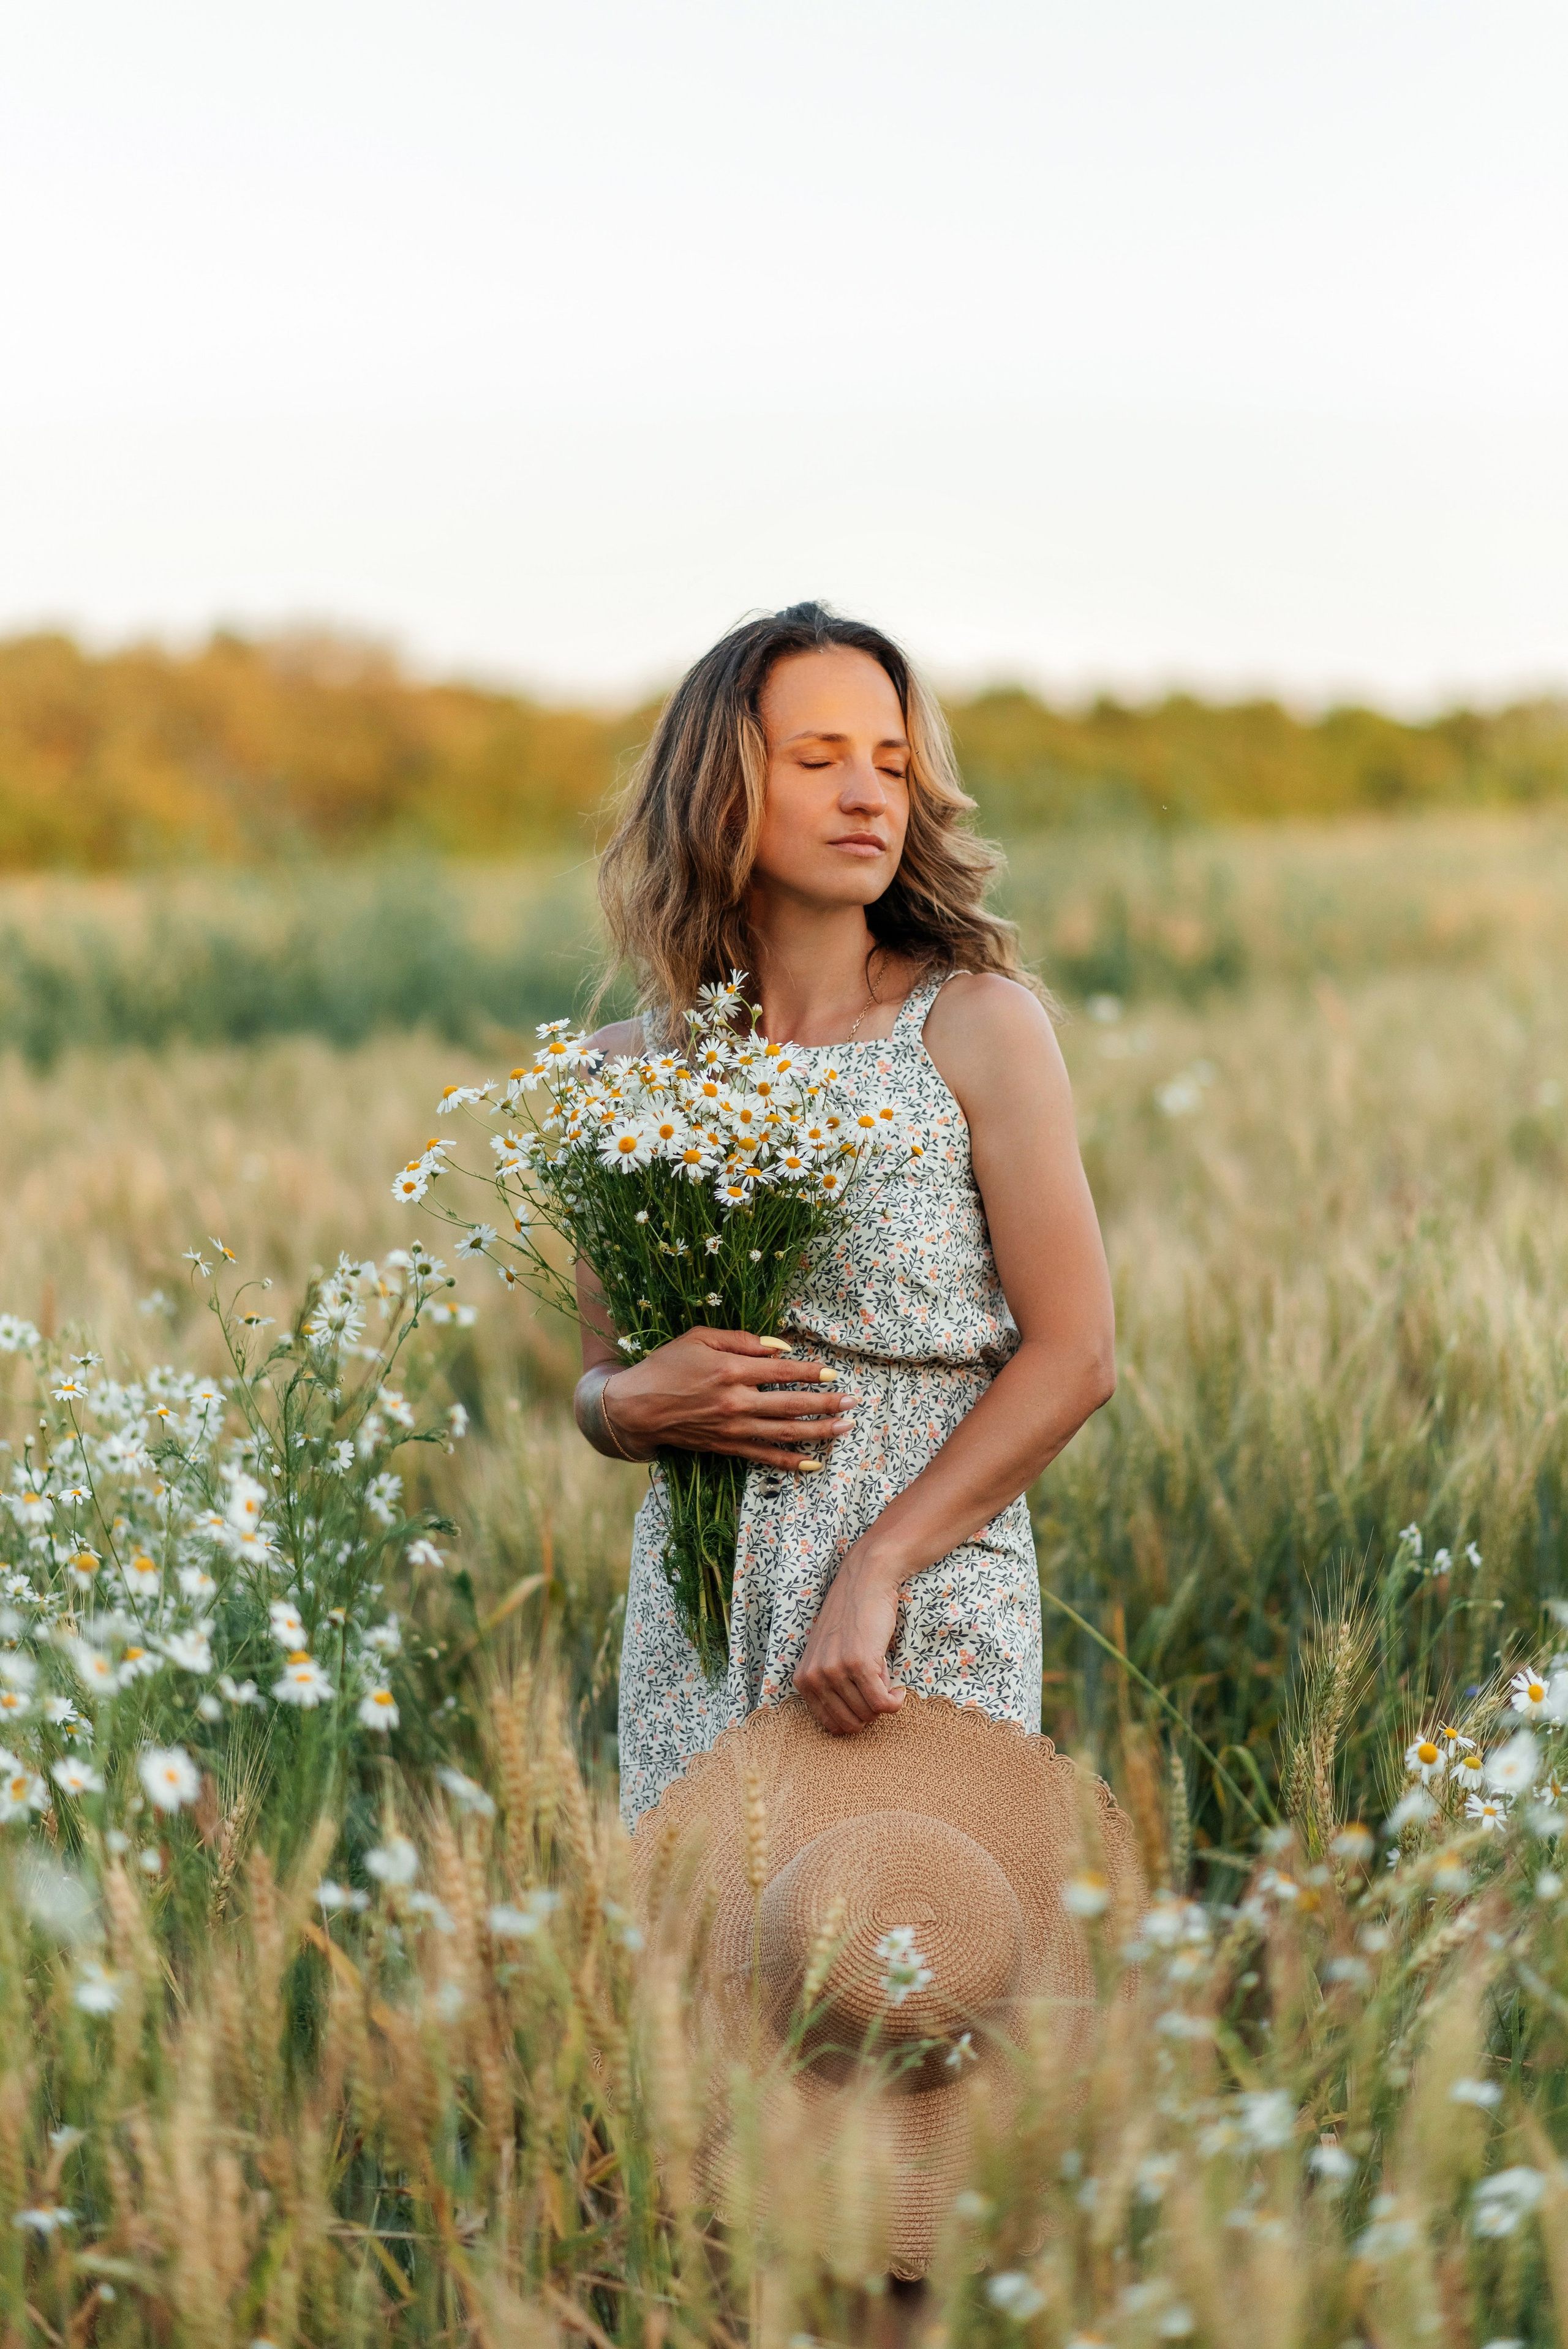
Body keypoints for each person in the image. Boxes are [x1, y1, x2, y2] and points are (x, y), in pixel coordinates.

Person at [573, 601, 1116, 1828]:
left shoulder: (974, 1026)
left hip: (919, 1591)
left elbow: (1077, 1354)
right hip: (702, 1603)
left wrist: (878, 1563)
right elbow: (602, 1379)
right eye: (817, 761)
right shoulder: (619, 1075)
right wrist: (625, 1406)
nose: (868, 793)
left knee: (918, 1973)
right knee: (711, 1982)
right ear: (720, 788)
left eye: (890, 762)